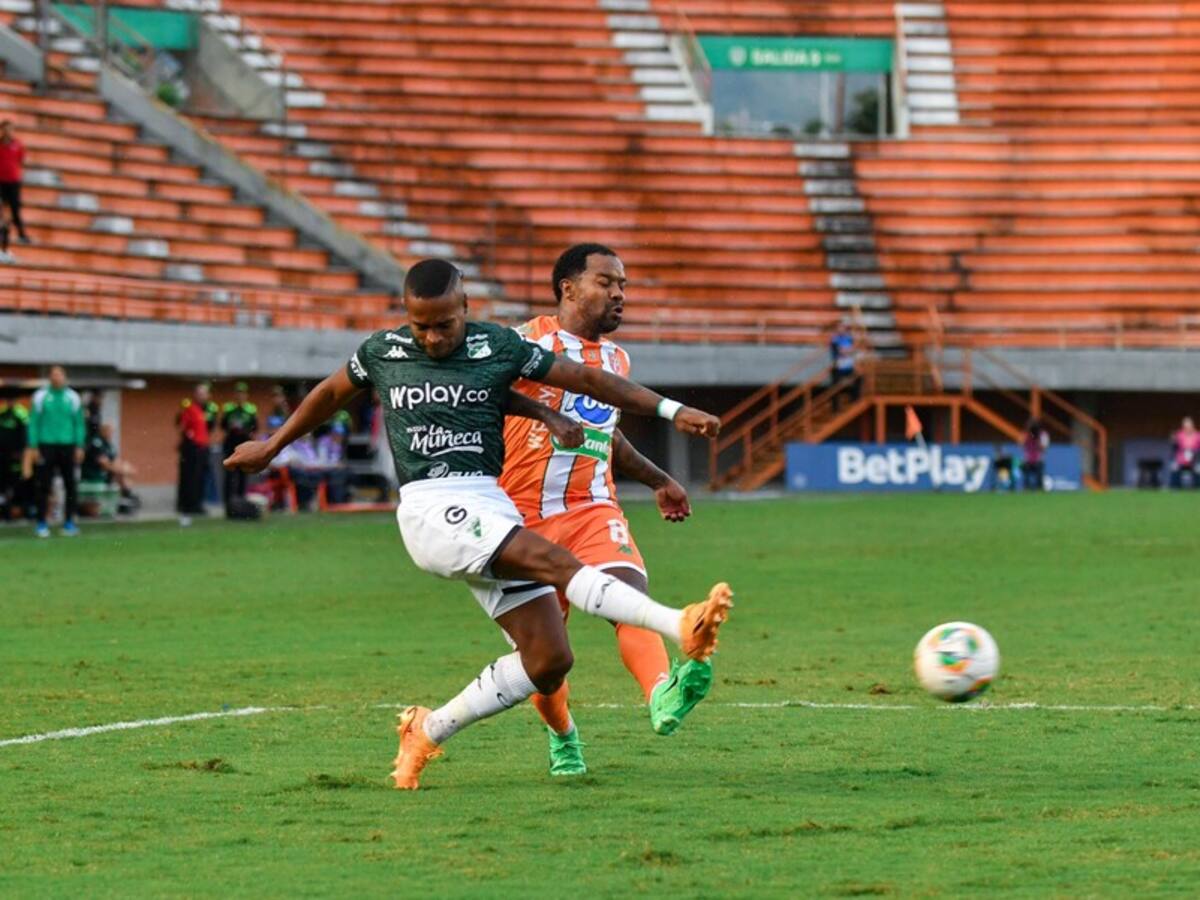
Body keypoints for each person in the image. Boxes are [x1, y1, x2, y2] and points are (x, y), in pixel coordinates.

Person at [225, 258, 733, 791]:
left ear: (464, 310)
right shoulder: (383, 350)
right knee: (557, 564)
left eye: (443, 324)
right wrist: (272, 445)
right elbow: (331, 394)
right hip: (432, 507)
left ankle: (427, 729)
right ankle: (678, 624)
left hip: (491, 505)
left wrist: (668, 412)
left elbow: (581, 380)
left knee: (548, 659)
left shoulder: (495, 347)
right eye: (420, 324)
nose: (432, 337)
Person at [499, 243, 708, 776]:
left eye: (623, 285)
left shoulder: (617, 360)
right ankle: (563, 736)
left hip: (592, 506)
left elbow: (606, 437)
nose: (619, 294)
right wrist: (543, 417)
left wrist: (660, 479)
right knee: (543, 661)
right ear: (567, 288)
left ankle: (662, 693)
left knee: (626, 595)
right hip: (519, 517)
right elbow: (483, 397)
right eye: (606, 282)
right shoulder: (523, 341)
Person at [27, 366, 86, 537]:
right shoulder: (40, 396)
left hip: (68, 445)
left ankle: (69, 522)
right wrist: (33, 445)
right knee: (43, 485)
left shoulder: (73, 397)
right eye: (53, 374)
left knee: (70, 484)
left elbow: (79, 423)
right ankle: (41, 523)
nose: (56, 377)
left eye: (59, 374)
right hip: (46, 444)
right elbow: (34, 422)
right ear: (49, 377)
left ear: (65, 377)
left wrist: (79, 445)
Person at [81, 422, 139, 511]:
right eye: (110, 431)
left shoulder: (108, 444)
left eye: (112, 432)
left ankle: (126, 499)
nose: (111, 434)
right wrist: (122, 471)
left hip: (105, 475)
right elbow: (104, 464)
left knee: (123, 473)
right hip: (93, 475)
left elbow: (116, 460)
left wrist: (127, 468)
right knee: (121, 475)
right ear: (103, 430)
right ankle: (125, 500)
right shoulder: (97, 442)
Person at [221, 381, 259, 513]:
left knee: (243, 474)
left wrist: (245, 430)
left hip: (244, 443)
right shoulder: (229, 408)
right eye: (238, 393)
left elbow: (255, 427)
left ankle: (241, 503)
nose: (240, 396)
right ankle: (228, 503)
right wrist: (232, 427)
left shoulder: (251, 409)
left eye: (242, 393)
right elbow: (223, 425)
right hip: (231, 444)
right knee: (229, 474)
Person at [177, 383, 211, 524]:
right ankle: (189, 505)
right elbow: (183, 426)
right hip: (192, 448)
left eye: (205, 394)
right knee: (191, 478)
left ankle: (197, 504)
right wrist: (190, 439)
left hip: (202, 447)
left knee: (200, 477)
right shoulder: (190, 409)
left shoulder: (204, 410)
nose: (203, 396)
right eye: (201, 393)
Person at [0, 120, 30, 263]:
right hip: (0, 182)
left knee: (14, 210)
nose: (7, 132)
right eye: (5, 129)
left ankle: (21, 235)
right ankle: (4, 246)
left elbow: (21, 160)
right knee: (2, 214)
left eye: (10, 129)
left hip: (13, 182)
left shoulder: (18, 145)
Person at [0, 397, 29, 519]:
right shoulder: (2, 413)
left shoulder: (21, 414)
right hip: (2, 456)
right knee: (3, 483)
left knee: (17, 483)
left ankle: (18, 510)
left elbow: (25, 434)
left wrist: (21, 451)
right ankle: (5, 511)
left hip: (17, 456)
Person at [829, 324, 858, 407]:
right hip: (838, 367)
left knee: (858, 379)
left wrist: (847, 350)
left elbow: (853, 349)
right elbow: (840, 351)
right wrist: (848, 350)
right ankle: (835, 407)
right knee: (835, 387)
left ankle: (854, 402)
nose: (841, 330)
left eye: (843, 328)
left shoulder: (849, 338)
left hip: (848, 367)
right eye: (839, 328)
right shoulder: (834, 340)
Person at [1169, 416, 1200, 489]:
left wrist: (1195, 454)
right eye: (1185, 426)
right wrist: (1173, 440)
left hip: (1194, 460)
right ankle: (1175, 489)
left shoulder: (1198, 435)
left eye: (1189, 425)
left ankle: (1197, 489)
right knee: (1174, 467)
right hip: (1181, 460)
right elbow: (1175, 448)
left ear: (1192, 425)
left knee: (1198, 469)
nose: (1187, 427)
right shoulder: (1179, 435)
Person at [1020, 418, 1049, 491]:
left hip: (1038, 460)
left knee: (1039, 469)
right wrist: (1029, 436)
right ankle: (1026, 487)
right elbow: (1022, 444)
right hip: (1028, 460)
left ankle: (1040, 487)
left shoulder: (1043, 434)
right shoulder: (1026, 434)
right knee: (1024, 468)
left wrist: (1037, 440)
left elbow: (1044, 448)